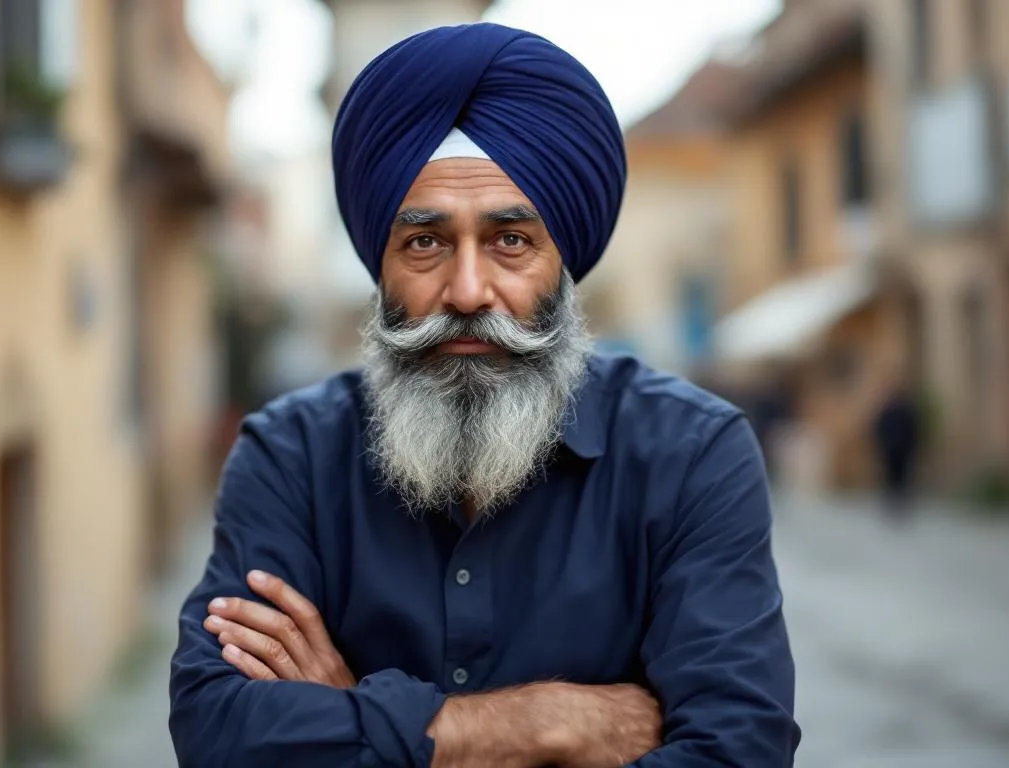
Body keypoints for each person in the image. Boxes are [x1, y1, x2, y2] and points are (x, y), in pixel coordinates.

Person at [169, 22, 799, 768]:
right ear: (381, 261)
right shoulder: (291, 456)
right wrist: (544, 722)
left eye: (511, 242)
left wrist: (353, 714)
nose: (467, 292)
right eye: (425, 243)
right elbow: (219, 733)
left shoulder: (691, 453)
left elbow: (738, 753)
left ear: (563, 262)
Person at [873, 378, 921, 519]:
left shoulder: (906, 410)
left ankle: (901, 507)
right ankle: (892, 506)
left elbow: (914, 430)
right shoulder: (887, 410)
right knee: (891, 478)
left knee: (902, 478)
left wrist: (912, 447)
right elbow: (878, 428)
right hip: (890, 449)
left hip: (902, 450)